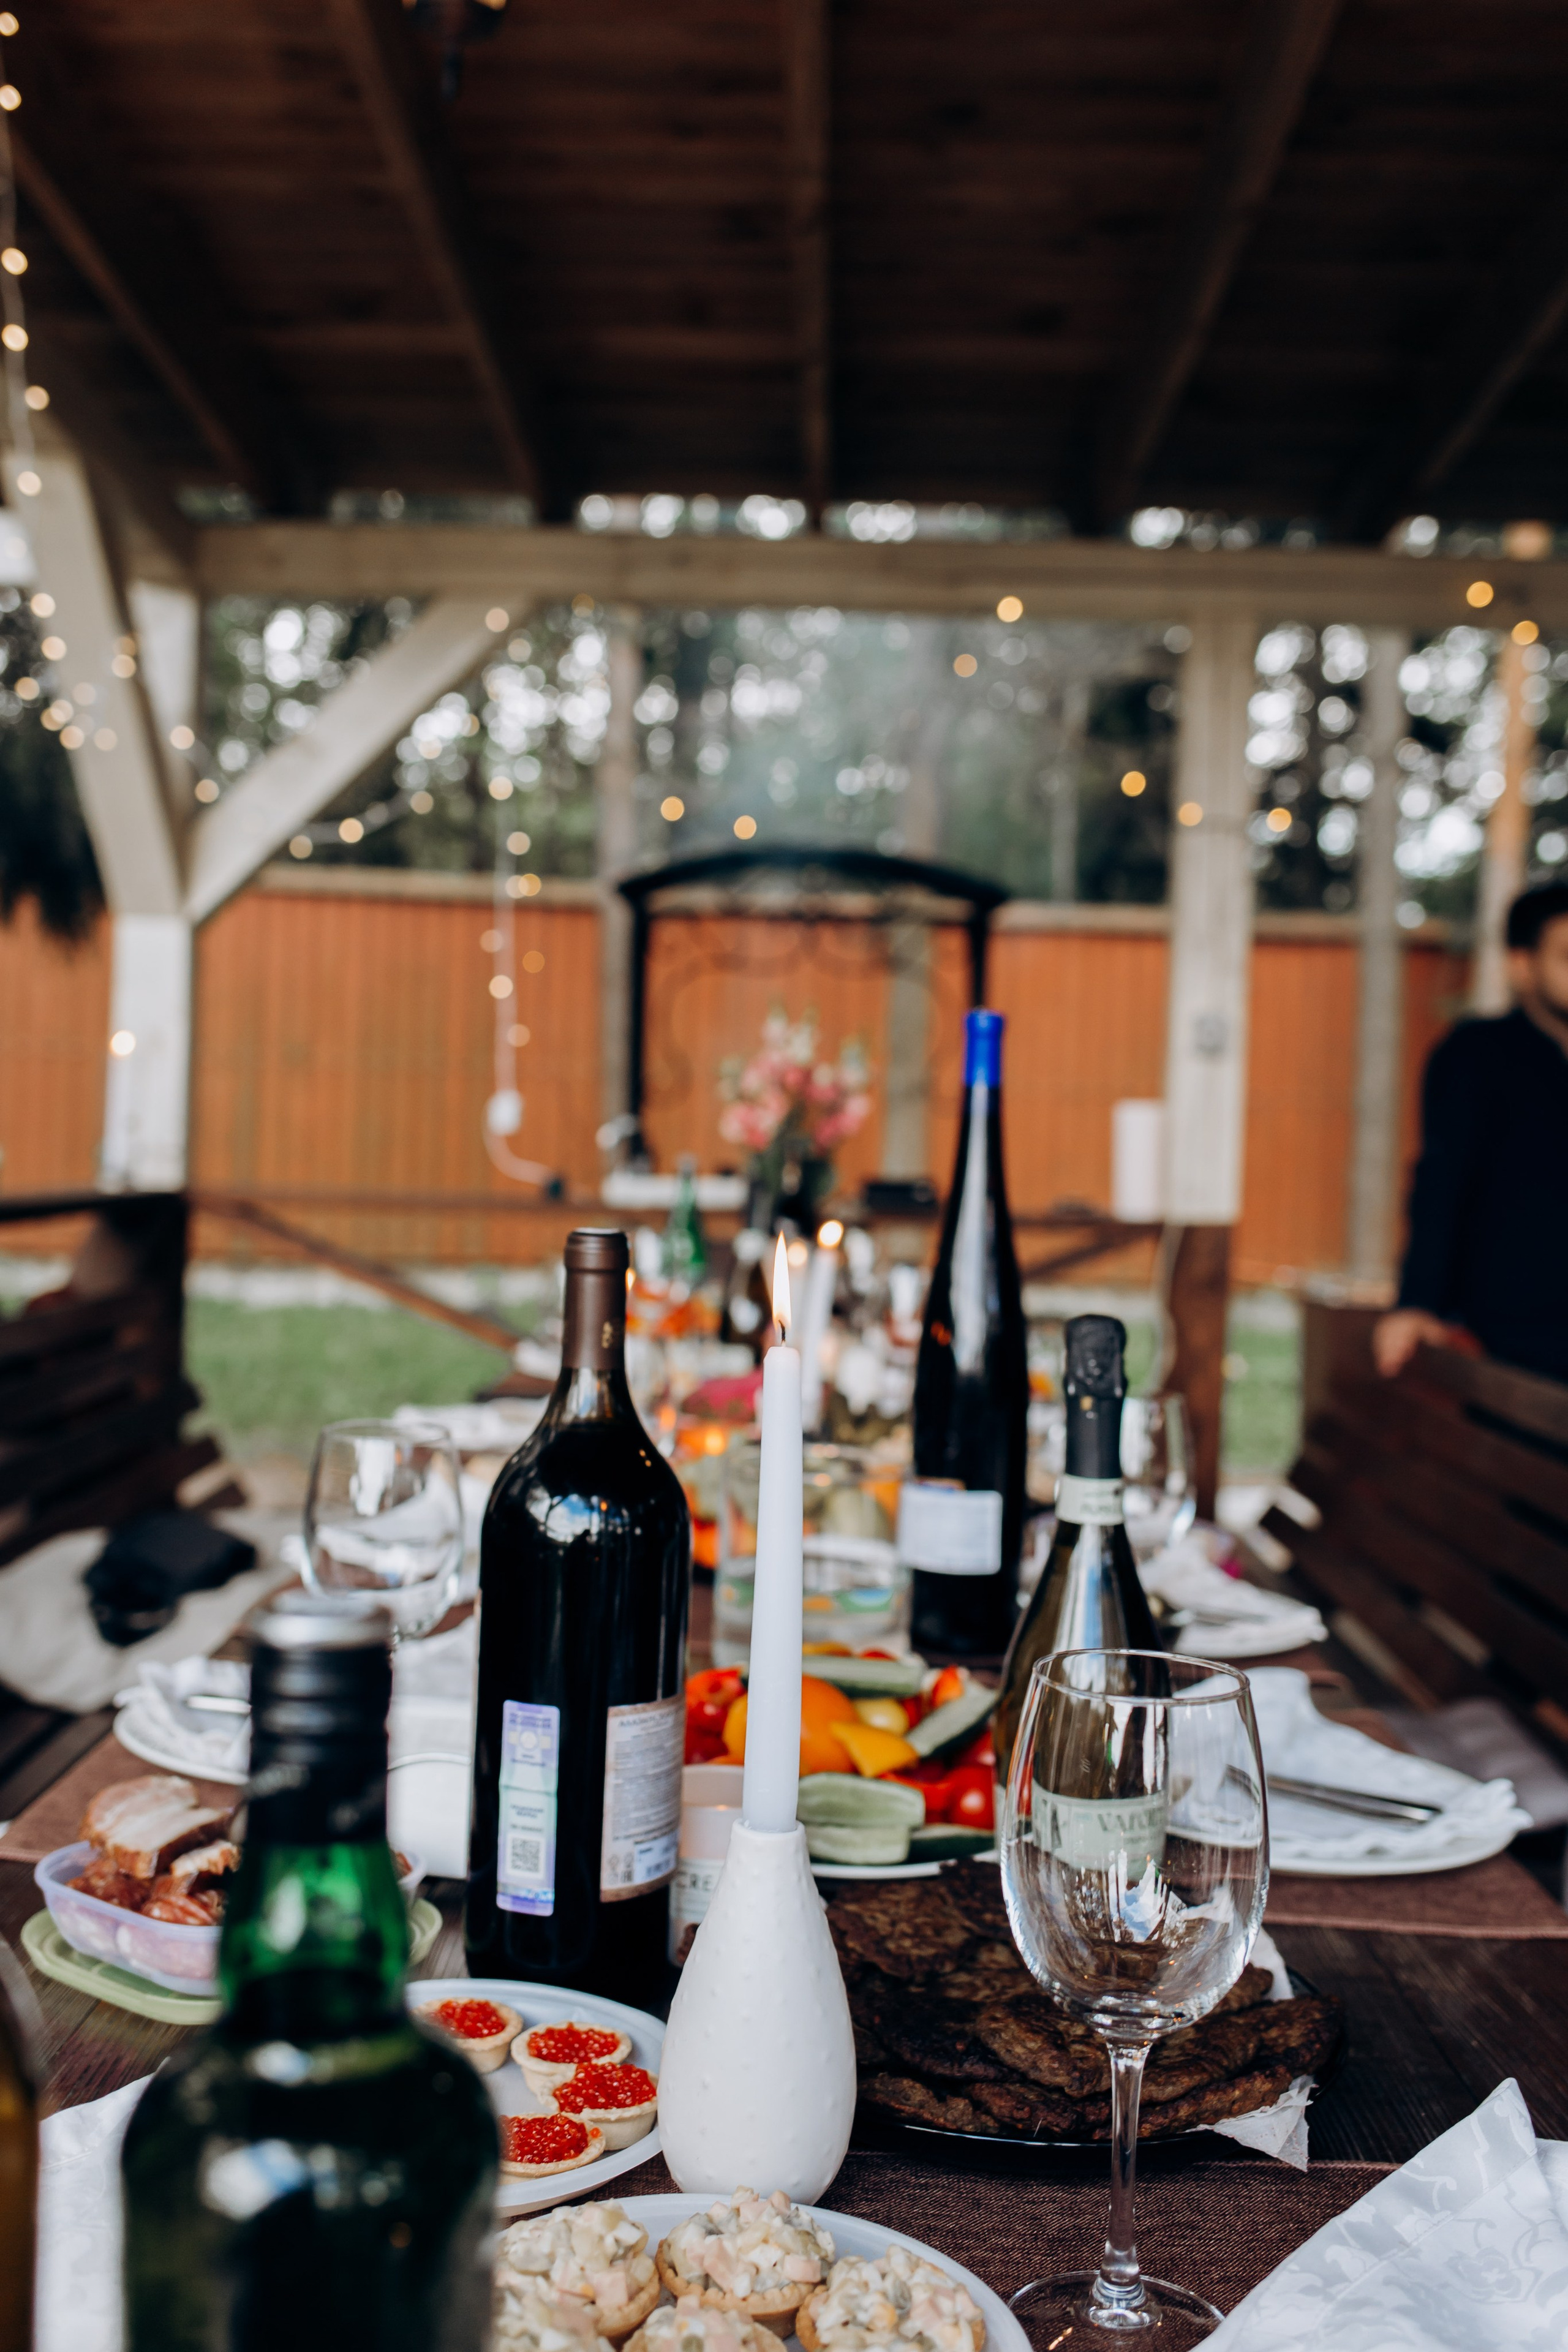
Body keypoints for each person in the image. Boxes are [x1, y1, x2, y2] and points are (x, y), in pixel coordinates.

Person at [1375, 880, 1568, 1384]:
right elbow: (1440, 1181)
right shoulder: (1476, 1056)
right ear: (1522, 966)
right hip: (1511, 1340)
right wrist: (1417, 1302)